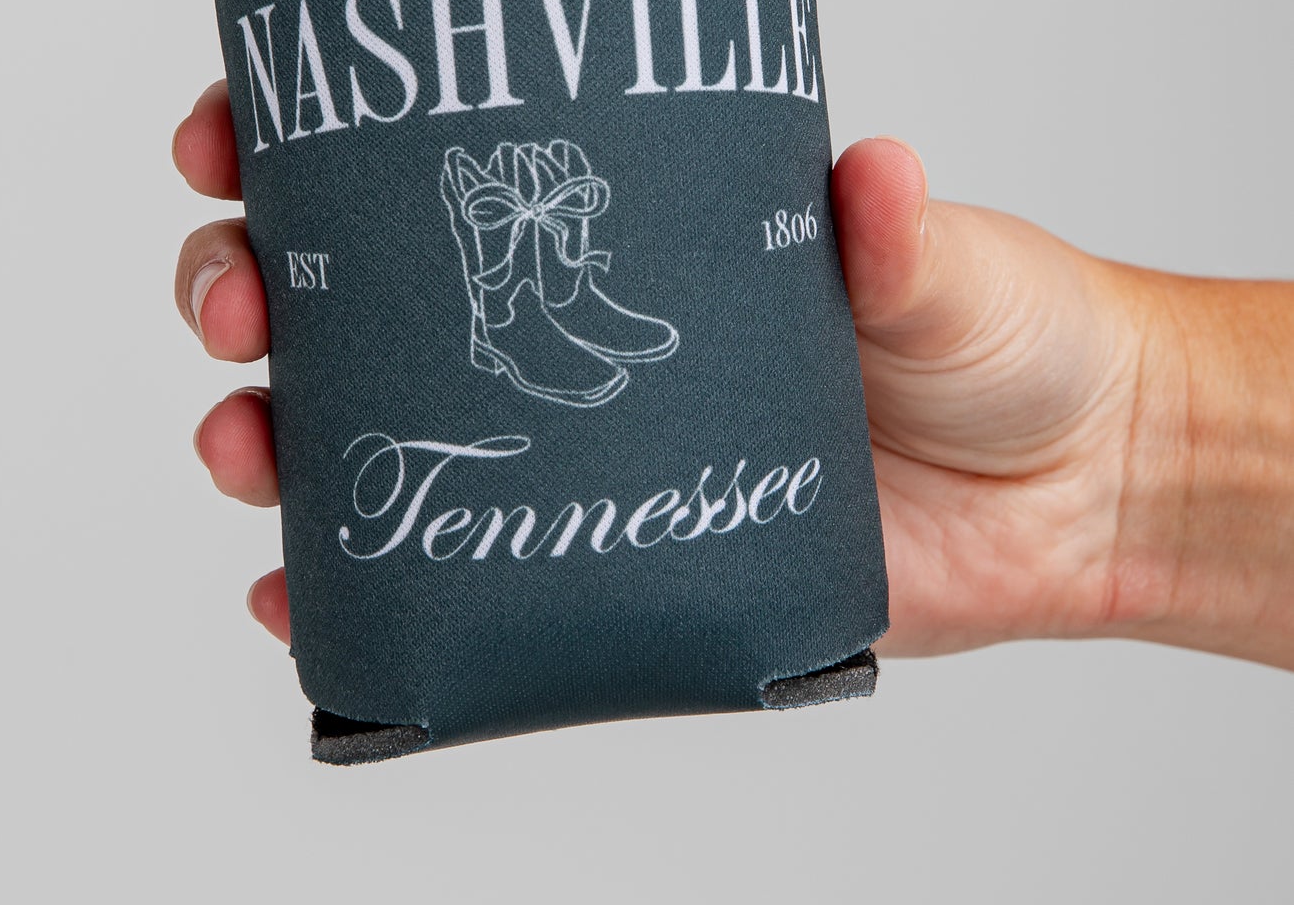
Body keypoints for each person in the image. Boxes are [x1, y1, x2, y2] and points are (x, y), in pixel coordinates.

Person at [173, 82, 1294, 673]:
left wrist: (1134, 449)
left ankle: (541, 292)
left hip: (847, 506)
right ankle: (511, 308)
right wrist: (1129, 449)